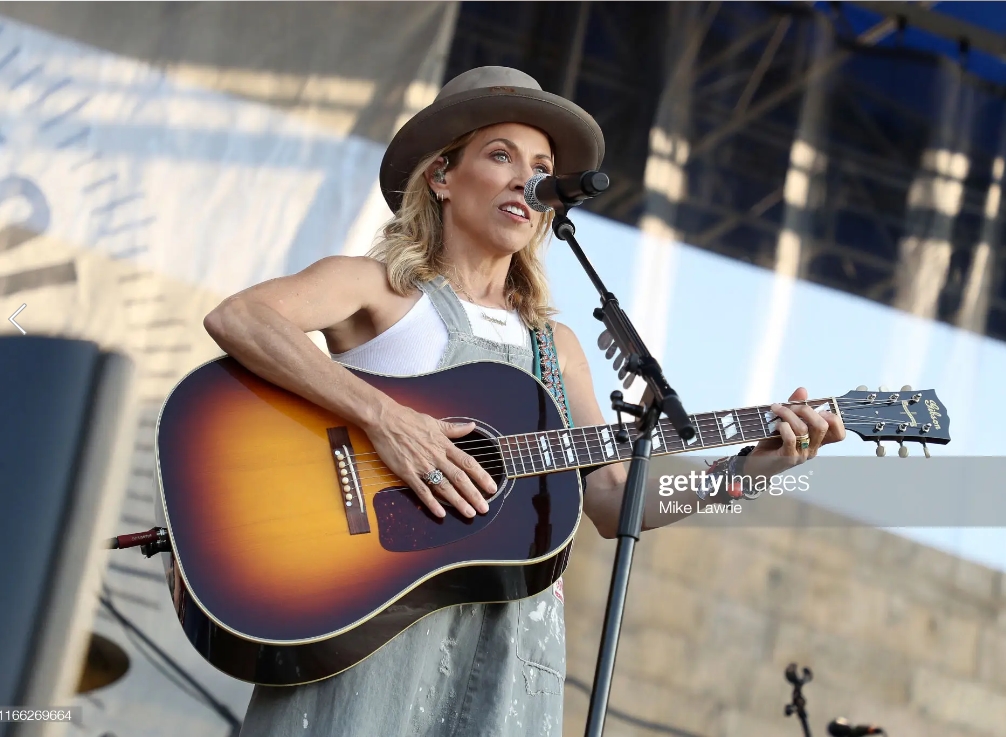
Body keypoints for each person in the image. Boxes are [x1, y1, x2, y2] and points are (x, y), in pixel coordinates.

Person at [203, 66, 845, 737]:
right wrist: (385, 418)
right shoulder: (374, 288)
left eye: (541, 168)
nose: (525, 179)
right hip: (370, 624)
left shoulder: (554, 347)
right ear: (441, 177)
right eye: (501, 155)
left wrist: (746, 471)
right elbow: (241, 317)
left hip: (507, 650)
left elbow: (613, 498)